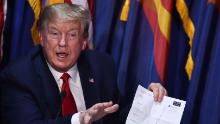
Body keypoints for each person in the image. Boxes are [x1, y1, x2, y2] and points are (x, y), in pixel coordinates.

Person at [0, 3, 167, 124]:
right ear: (42, 38)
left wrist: (148, 101)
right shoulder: (18, 77)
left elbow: (116, 116)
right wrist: (80, 119)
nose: (62, 43)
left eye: (72, 35)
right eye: (55, 33)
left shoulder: (101, 65)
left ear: (84, 41)